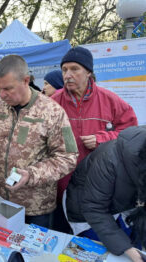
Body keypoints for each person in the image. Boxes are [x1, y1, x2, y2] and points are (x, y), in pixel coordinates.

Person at [0, 55, 78, 228]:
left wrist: (31, 174)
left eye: (8, 89)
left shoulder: (52, 112)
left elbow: (67, 157)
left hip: (36, 209)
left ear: (26, 80)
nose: (2, 95)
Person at [51, 46, 138, 232]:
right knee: (64, 233)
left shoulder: (110, 100)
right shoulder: (53, 101)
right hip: (61, 182)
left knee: (94, 233)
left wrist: (103, 139)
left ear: (89, 72)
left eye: (74, 69)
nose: (68, 75)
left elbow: (131, 132)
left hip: (97, 182)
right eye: (64, 70)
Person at [65, 126, 146, 262]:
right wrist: (128, 250)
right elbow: (94, 208)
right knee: (108, 254)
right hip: (88, 209)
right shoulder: (109, 158)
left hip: (124, 205)